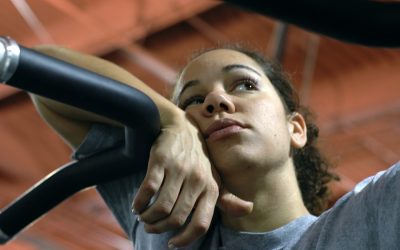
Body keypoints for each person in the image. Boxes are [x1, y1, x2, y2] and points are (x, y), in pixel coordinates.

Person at [31, 45, 400, 250]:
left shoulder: (367, 216)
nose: (215, 102)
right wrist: (170, 122)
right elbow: (42, 71)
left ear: (296, 128)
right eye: (192, 100)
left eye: (244, 85)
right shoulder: (167, 219)